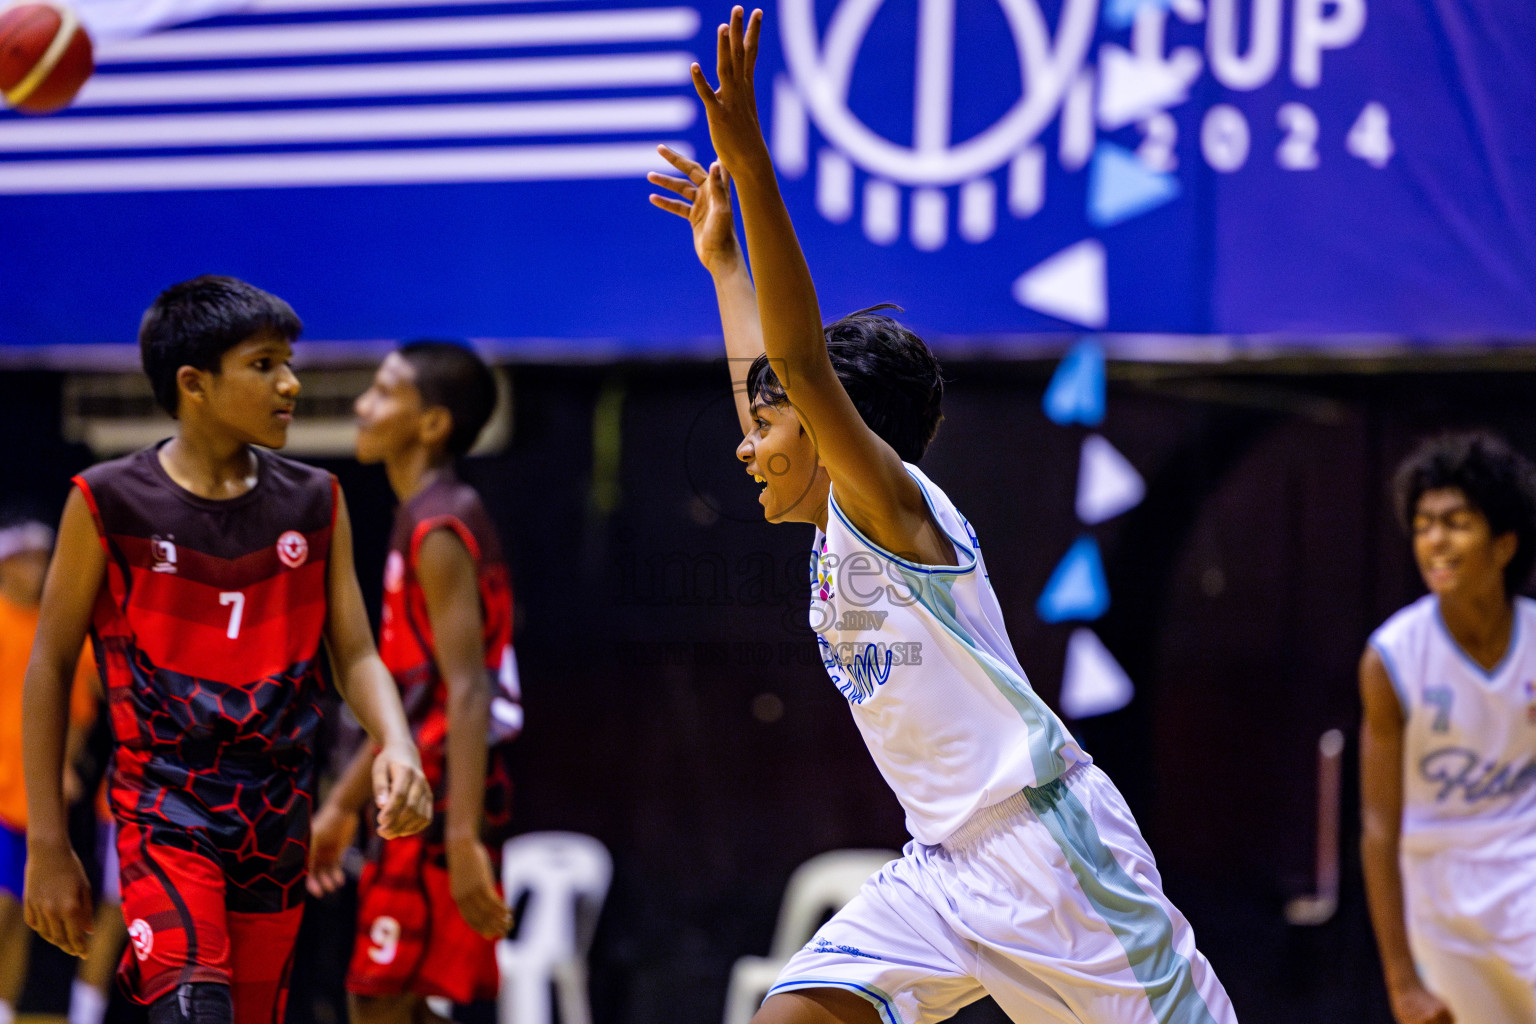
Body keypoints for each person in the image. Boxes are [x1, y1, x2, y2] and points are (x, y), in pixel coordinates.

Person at [646, 9, 1238, 1024]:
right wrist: (725, 267)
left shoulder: (892, 508)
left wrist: (751, 167)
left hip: (1052, 856)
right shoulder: (841, 511)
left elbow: (793, 365)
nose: (746, 441)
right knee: (791, 1014)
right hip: (942, 868)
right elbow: (775, 377)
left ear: (839, 428)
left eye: (771, 421)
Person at [21, 275, 434, 1024]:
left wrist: (396, 743)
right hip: (162, 809)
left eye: (289, 362)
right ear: (194, 384)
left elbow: (356, 652)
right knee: (192, 1010)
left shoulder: (316, 501)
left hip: (276, 817)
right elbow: (48, 665)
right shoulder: (106, 500)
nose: (291, 383)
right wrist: (48, 845)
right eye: (264, 363)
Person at [307, 340, 519, 1024]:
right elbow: (410, 698)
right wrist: (342, 805)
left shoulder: (439, 526)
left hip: (438, 806)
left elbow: (469, 691)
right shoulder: (415, 517)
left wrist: (461, 843)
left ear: (432, 423)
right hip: (417, 792)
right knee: (390, 1003)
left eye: (384, 391)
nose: (362, 406)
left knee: (376, 1000)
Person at [1359, 431, 1536, 1024]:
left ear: (1505, 544)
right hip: (1438, 893)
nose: (1434, 540)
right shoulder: (1391, 658)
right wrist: (1400, 981)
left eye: (1456, 521)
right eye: (1422, 524)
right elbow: (1379, 826)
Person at [0, 519, 101, 1024]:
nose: (37, 570)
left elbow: (81, 706)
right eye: (27, 559)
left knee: (19, 914)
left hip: (30, 799)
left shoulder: (55, 629)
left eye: (44, 559)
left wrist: (61, 764)